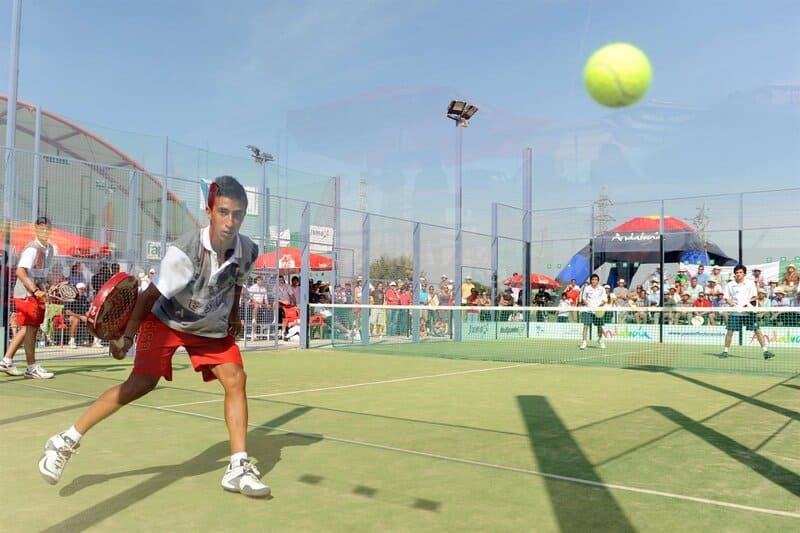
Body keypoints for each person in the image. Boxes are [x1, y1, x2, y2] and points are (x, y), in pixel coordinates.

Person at [38, 176, 270, 497]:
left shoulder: (248, 250)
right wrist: (127, 337)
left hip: (208, 325)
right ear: (209, 212)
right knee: (140, 384)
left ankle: (238, 466)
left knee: (236, 379)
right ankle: (64, 441)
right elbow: (149, 296)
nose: (231, 221)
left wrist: (233, 315)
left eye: (238, 214)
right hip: (165, 321)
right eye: (223, 212)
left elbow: (237, 282)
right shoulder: (184, 252)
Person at [0, 216, 56, 379]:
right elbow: (20, 271)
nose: (43, 231)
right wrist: (35, 290)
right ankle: (31, 368)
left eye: (46, 228)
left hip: (35, 294)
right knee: (31, 328)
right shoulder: (32, 248)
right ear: (36, 230)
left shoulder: (49, 249)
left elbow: (43, 273)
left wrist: (51, 285)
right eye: (40, 228)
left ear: (50, 231)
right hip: (26, 294)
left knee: (27, 328)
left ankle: (6, 361)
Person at [721, 264, 774, 360]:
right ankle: (725, 351)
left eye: (740, 272)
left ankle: (765, 351)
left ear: (744, 274)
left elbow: (754, 297)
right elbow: (726, 298)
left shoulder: (750, 283)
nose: (738, 274)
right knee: (729, 331)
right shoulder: (730, 285)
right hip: (735, 312)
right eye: (737, 272)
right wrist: (733, 305)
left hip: (748, 312)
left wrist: (746, 305)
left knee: (757, 330)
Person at [579, 274, 607, 350]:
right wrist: (589, 305)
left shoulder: (602, 289)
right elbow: (584, 299)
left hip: (598, 311)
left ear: (598, 281)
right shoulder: (587, 288)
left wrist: (598, 306)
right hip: (588, 310)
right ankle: (584, 342)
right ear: (591, 280)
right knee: (585, 326)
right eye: (593, 279)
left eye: (596, 279)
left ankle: (600, 339)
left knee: (599, 326)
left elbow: (604, 299)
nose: (594, 281)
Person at [63, 282, 92, 348]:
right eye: (80, 289)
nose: (82, 291)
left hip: (81, 317)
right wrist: (80, 316)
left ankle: (96, 341)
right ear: (76, 289)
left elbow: (87, 311)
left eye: (84, 289)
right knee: (75, 320)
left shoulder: (84, 298)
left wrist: (89, 316)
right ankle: (72, 341)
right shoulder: (70, 297)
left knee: (93, 320)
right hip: (70, 317)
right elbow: (67, 312)